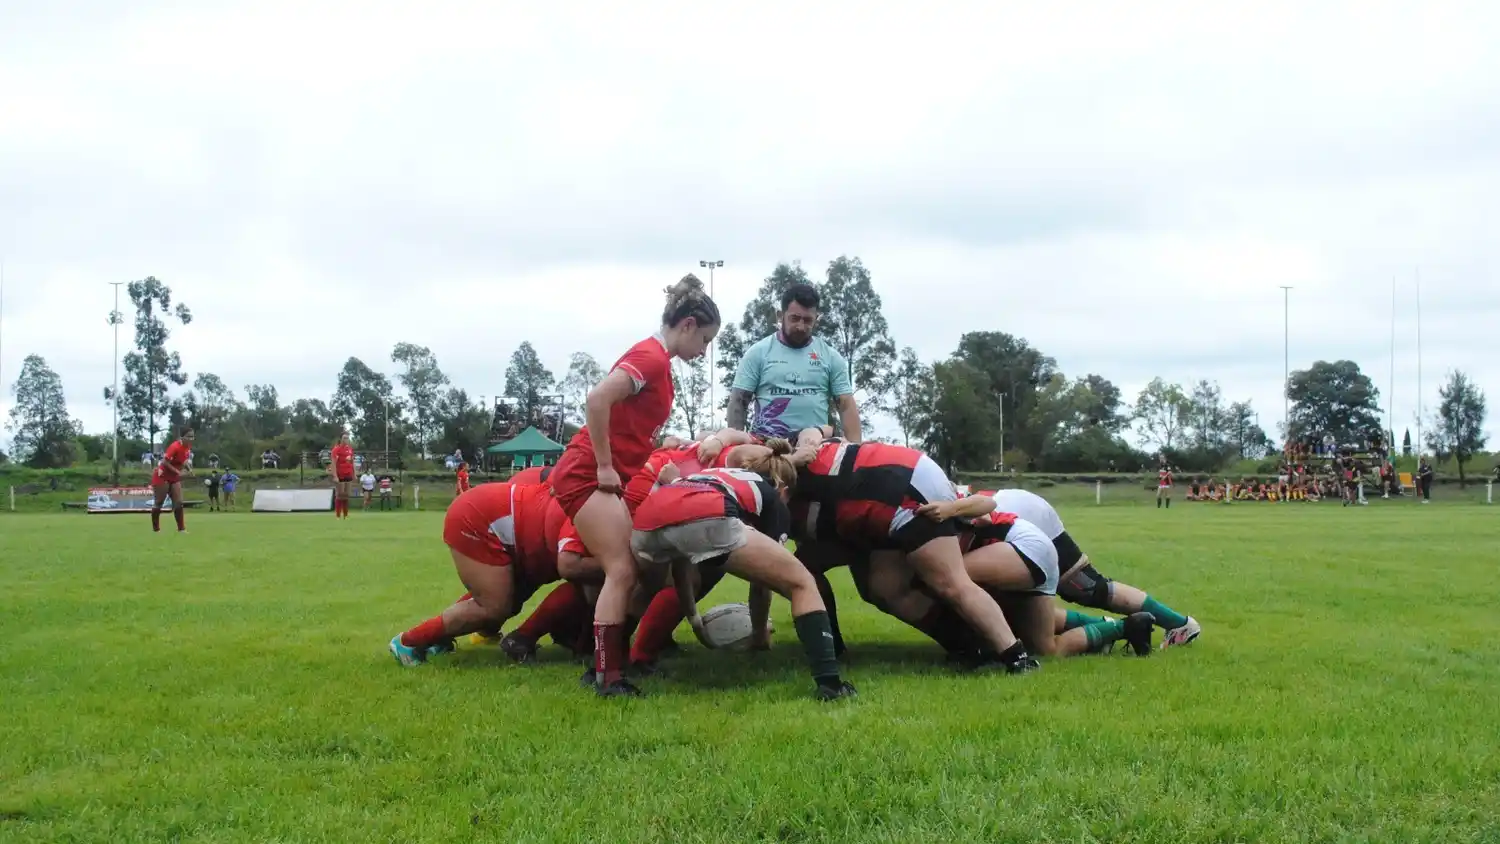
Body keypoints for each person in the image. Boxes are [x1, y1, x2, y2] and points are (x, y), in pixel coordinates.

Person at [548, 274, 720, 697]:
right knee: (622, 568)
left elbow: (627, 419)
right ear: (688, 325)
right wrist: (606, 466)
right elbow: (596, 400)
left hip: (597, 474)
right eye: (706, 340)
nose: (704, 351)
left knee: (633, 568)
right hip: (586, 472)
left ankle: (605, 665)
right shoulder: (651, 358)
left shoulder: (657, 362)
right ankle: (608, 677)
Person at [790, 431, 1037, 674]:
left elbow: (987, 506)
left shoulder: (777, 458)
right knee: (882, 587)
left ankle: (1017, 656)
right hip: (874, 503)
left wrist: (952, 508)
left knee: (949, 583)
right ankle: (970, 645)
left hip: (901, 490)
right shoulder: (791, 478)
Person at [630, 452, 856, 701]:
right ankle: (830, 685)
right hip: (708, 512)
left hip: (647, 517)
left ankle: (612, 667)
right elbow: (763, 583)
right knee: (802, 582)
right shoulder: (775, 498)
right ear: (784, 487)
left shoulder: (716, 475)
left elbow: (682, 568)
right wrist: (759, 635)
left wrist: (695, 619)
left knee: (645, 586)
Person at [389, 482, 588, 665]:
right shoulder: (587, 495)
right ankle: (408, 642)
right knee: (494, 606)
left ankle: (435, 638)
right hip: (482, 518)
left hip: (508, 524)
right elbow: (569, 564)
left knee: (507, 601)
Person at [981, 488, 1200, 647]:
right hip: (1014, 509)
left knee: (1087, 587)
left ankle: (1179, 624)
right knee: (1020, 611)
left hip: (1021, 517)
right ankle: (1111, 626)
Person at [727, 283, 861, 442]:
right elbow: (738, 402)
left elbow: (846, 405)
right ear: (780, 316)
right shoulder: (758, 353)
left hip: (816, 446)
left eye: (808, 320)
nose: (801, 326)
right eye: (794, 318)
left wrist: (855, 452)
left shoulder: (830, 356)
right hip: (767, 448)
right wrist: (735, 447)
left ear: (816, 319)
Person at [150, 427, 195, 533]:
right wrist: (178, 472)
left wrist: (189, 469)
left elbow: (183, 460)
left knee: (178, 502)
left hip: (174, 477)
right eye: (189, 436)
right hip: (162, 475)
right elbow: (165, 462)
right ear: (182, 437)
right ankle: (156, 529)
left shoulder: (188, 447)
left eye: (193, 436)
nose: (191, 439)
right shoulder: (174, 446)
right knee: (159, 502)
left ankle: (181, 529)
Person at [329, 433, 356, 519]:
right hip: (340, 474)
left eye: (347, 438)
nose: (346, 440)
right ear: (341, 439)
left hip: (348, 473)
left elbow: (352, 462)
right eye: (344, 438)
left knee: (346, 494)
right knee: (340, 494)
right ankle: (338, 515)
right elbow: (333, 463)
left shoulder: (350, 449)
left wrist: (354, 473)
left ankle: (345, 514)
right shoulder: (336, 449)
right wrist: (335, 475)